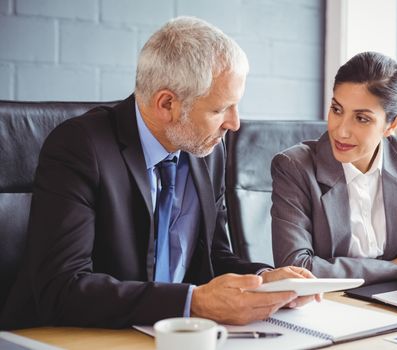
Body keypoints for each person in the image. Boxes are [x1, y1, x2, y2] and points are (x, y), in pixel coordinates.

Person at [1, 16, 319, 329]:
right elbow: (62, 290)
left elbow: (215, 259)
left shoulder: (207, 151)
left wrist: (264, 280)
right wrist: (192, 302)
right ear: (166, 104)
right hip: (67, 336)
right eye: (220, 109)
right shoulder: (80, 147)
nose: (234, 123)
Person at [271, 51, 397, 293]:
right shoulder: (294, 167)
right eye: (336, 110)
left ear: (391, 125)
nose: (341, 131)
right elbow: (296, 267)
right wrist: (396, 268)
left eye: (362, 119)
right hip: (329, 306)